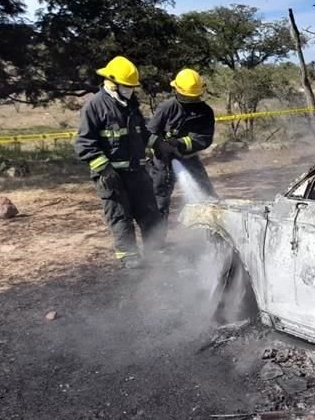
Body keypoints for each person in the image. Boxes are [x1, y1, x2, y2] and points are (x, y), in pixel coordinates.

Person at [74, 56, 162, 269]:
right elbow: (83, 143)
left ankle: (157, 254)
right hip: (111, 177)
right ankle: (129, 259)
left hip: (137, 172)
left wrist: (158, 143)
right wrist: (104, 168)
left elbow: (141, 131)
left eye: (132, 87)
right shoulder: (95, 106)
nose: (130, 90)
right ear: (111, 82)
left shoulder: (130, 105)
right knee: (121, 218)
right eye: (126, 86)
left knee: (150, 213)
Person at [147, 68, 216, 233]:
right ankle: (157, 244)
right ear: (176, 90)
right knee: (160, 201)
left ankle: (213, 234)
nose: (189, 100)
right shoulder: (167, 107)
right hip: (163, 161)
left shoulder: (205, 111)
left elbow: (204, 138)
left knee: (207, 195)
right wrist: (160, 144)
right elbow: (149, 132)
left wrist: (179, 143)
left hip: (188, 158)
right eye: (186, 96)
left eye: (193, 97)